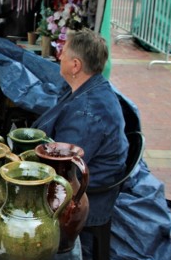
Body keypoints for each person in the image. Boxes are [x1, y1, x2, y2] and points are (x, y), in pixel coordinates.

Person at [31, 28, 128, 227]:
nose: (59, 56)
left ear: (75, 65)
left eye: (63, 53)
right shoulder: (92, 88)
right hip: (89, 185)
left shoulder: (86, 113)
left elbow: (64, 171)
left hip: (86, 201)